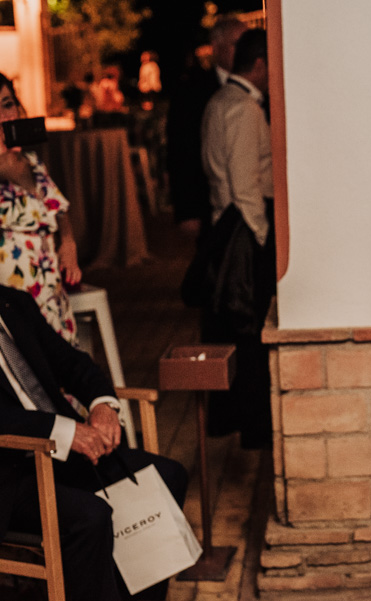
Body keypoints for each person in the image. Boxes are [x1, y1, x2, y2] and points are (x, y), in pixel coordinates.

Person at [0, 284, 188, 601]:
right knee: (90, 517)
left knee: (167, 476)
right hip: (11, 473)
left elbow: (71, 362)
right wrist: (62, 431)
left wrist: (102, 405)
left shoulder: (11, 303)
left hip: (64, 454)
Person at [199, 28, 273, 448]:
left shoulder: (219, 100)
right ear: (259, 64)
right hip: (241, 229)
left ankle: (229, 420)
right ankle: (252, 428)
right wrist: (262, 238)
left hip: (221, 224)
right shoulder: (244, 107)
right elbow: (245, 184)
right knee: (247, 331)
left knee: (228, 327)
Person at [0, 73, 81, 344]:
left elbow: (57, 205)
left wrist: (68, 241)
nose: (3, 115)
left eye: (7, 104)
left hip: (48, 291)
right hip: (10, 302)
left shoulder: (32, 163)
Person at [167, 17, 247, 238]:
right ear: (216, 47)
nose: (243, 52)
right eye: (236, 44)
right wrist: (186, 210)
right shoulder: (191, 90)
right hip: (207, 204)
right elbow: (180, 150)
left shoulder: (262, 89)